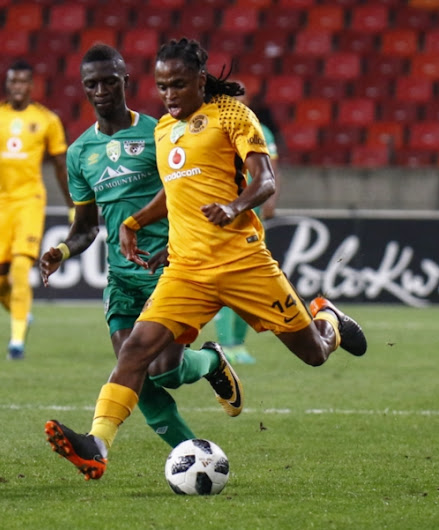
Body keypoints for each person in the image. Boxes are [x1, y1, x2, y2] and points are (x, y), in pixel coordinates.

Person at [44, 38, 367, 481]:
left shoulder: (232, 115)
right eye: (162, 87)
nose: (170, 96)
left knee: (314, 354)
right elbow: (175, 191)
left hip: (242, 263)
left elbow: (265, 180)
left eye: (178, 85)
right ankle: (97, 444)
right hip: (187, 270)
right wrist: (135, 220)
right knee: (137, 352)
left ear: (199, 80)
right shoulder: (162, 131)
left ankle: (327, 318)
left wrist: (235, 208)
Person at [40, 44, 243, 452]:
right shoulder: (80, 153)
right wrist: (61, 251)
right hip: (121, 280)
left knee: (166, 371)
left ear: (125, 81)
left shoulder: (160, 133)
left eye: (109, 81)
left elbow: (187, 192)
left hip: (168, 271)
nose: (101, 90)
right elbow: (85, 228)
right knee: (134, 373)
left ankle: (210, 361)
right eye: (91, 84)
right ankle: (191, 454)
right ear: (83, 88)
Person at [0, 59, 73, 360]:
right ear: (7, 85)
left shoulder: (47, 119)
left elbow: (60, 166)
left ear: (31, 86)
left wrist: (72, 205)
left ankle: (17, 341)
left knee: (21, 267)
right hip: (0, 203)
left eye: (23, 82)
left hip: (30, 201)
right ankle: (20, 313)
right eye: (13, 82)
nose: (18, 87)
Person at [213, 86, 282, 365]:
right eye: (231, 101)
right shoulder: (213, 129)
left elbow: (270, 170)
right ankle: (226, 342)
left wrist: (270, 201)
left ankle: (237, 342)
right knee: (225, 278)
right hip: (222, 214)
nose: (236, 105)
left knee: (247, 279)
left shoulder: (260, 131)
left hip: (250, 214)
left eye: (240, 100)